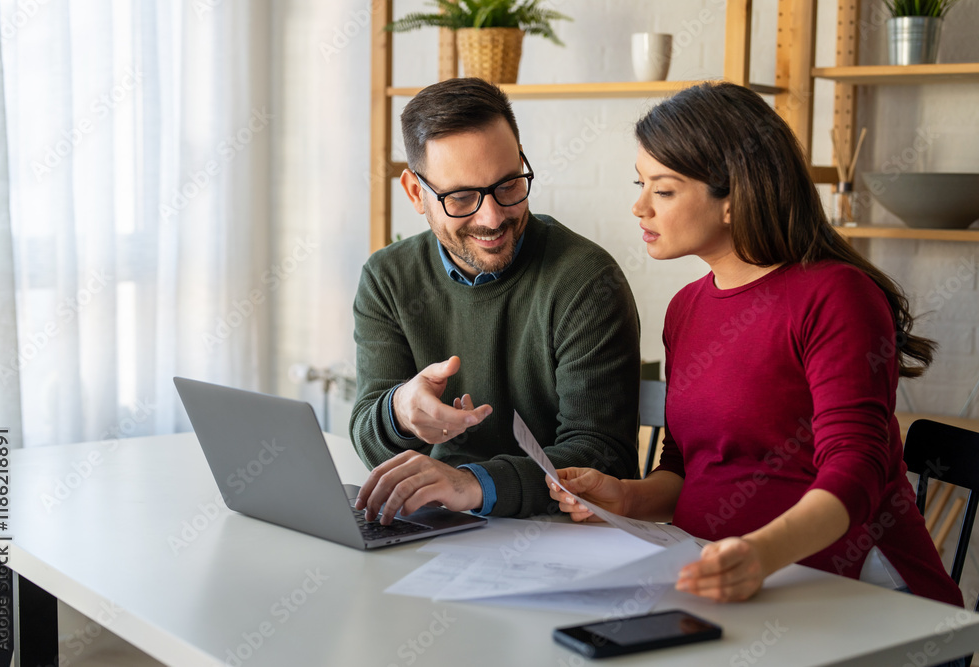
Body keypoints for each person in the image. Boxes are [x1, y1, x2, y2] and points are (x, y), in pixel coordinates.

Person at [548, 82, 964, 614]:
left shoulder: (835, 295)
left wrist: (758, 554)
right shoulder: (686, 308)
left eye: (664, 190)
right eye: (640, 184)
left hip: (861, 595)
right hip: (720, 581)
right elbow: (687, 467)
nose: (639, 207)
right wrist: (626, 498)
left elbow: (855, 471)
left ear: (732, 198)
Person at [350, 77, 641, 525]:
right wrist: (401, 412)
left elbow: (602, 456)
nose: (492, 217)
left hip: (558, 536)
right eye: (461, 197)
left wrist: (472, 485)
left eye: (508, 185)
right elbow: (369, 439)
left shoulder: (585, 280)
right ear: (414, 193)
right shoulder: (388, 278)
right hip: (439, 527)